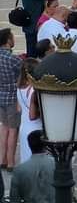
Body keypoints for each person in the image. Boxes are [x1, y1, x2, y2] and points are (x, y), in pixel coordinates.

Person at [8, 130, 53, 203]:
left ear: (29, 145)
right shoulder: (58, 165)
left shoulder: (19, 170)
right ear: (46, 145)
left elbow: (14, 199)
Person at [0, 28, 21, 170]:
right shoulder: (13, 59)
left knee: (4, 127)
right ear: (8, 40)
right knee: (13, 130)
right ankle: (11, 162)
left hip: (0, 95)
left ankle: (2, 159)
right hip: (13, 97)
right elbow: (23, 73)